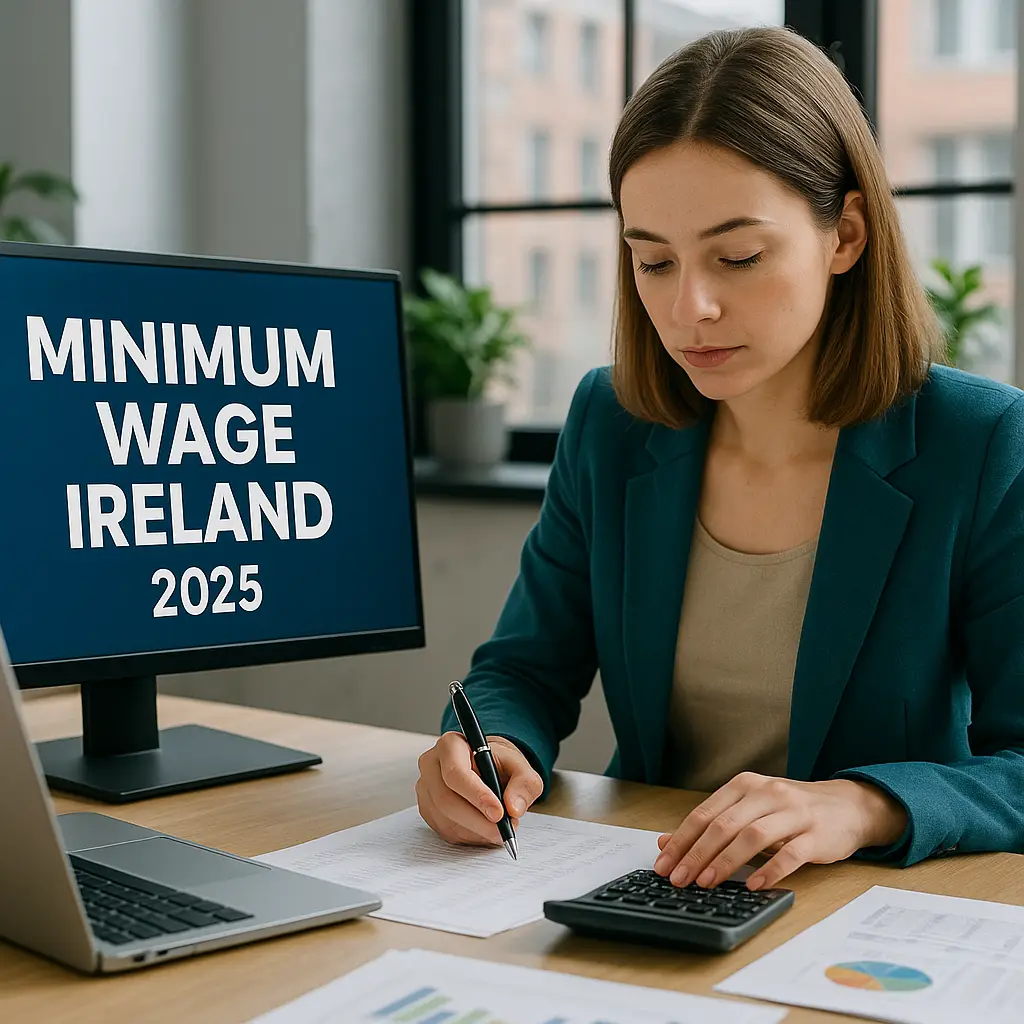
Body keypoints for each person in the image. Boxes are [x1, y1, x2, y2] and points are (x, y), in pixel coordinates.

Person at [415, 25, 1024, 893]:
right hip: (655, 885)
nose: (689, 307)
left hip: (856, 906)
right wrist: (493, 748)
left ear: (845, 234)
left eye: (737, 256)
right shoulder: (610, 420)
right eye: (653, 261)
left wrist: (857, 805)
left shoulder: (982, 442)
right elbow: (523, 669)